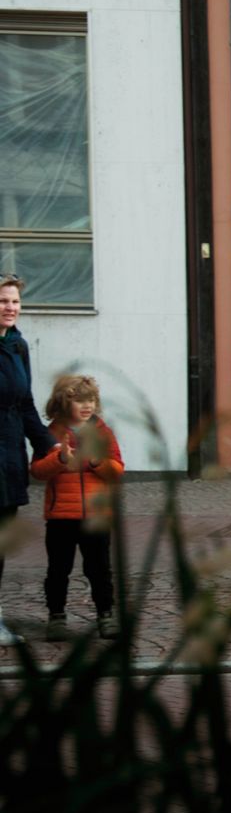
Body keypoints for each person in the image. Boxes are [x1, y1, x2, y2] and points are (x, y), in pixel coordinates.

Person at [31, 374, 124, 640]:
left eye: (91, 400)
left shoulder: (103, 432)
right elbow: (37, 471)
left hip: (96, 515)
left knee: (99, 569)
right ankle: (56, 616)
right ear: (63, 403)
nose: (87, 406)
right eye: (80, 401)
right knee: (58, 569)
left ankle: (106, 614)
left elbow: (117, 470)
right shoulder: (50, 434)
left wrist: (97, 462)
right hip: (61, 516)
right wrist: (60, 459)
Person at [0, 275, 58, 645]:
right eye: (3, 301)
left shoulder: (18, 346)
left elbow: (25, 405)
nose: (10, 307)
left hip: (7, 458)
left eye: (15, 301)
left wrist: (48, 444)